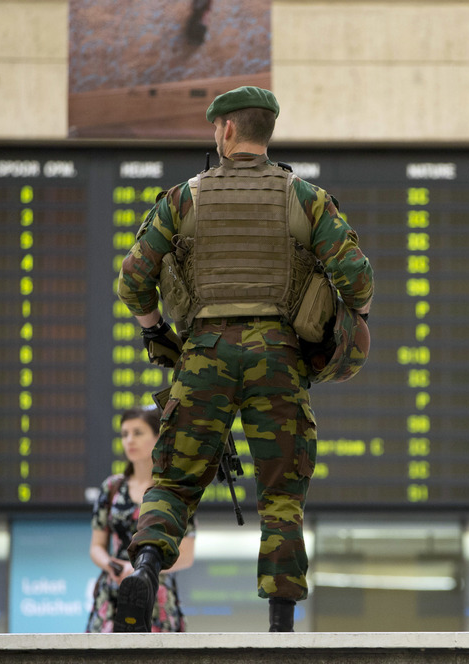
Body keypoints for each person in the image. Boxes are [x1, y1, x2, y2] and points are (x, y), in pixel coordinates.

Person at [113, 85, 374, 633]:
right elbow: (359, 279)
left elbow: (134, 278)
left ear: (227, 130)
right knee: (282, 494)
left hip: (203, 352)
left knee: (175, 481)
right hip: (278, 358)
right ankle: (281, 622)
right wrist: (355, 322)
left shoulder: (185, 197)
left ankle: (145, 566)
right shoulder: (304, 197)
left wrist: (156, 328)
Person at [85, 406, 196, 632]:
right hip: (113, 592)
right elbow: (96, 546)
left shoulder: (172, 489)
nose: (129, 440)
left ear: (158, 437)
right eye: (125, 434)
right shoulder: (111, 488)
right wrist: (115, 567)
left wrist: (143, 571)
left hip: (157, 593)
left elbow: (186, 555)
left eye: (138, 433)